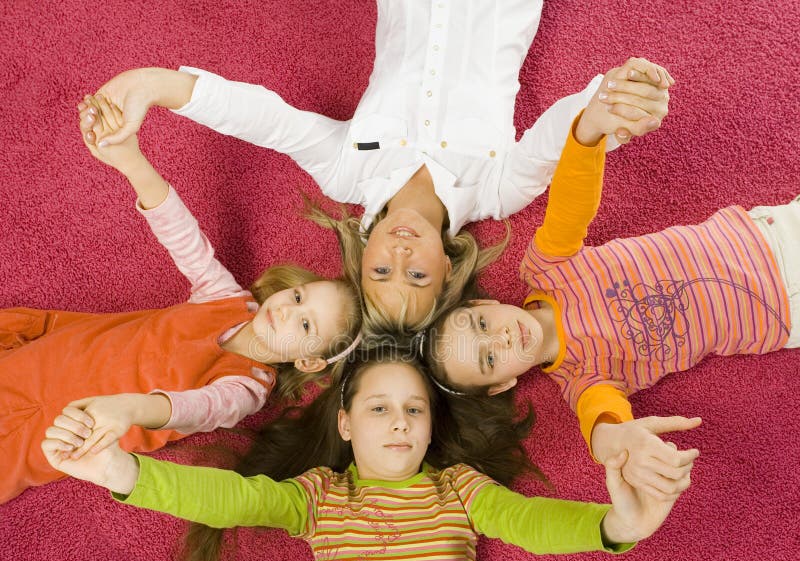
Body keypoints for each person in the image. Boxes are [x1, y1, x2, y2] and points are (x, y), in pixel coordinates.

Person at [41, 350, 694, 561]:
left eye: (414, 410)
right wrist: (118, 470)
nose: (401, 422)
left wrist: (617, 526)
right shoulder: (322, 496)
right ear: (348, 424)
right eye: (380, 408)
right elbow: (234, 499)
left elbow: (529, 521)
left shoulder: (457, 489)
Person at [78, 0, 673, 331]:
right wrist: (610, 106)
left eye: (380, 273)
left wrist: (155, 85)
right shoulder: (496, 191)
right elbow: (565, 138)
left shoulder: (348, 175)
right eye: (416, 277)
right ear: (449, 271)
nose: (401, 257)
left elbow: (269, 120)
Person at [420, 82, 799, 500]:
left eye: (482, 324)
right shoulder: (581, 378)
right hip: (781, 314)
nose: (502, 336)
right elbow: (603, 424)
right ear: (500, 387)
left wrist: (588, 134)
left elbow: (570, 204)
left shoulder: (545, 271)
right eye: (490, 357)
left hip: (764, 236)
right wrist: (621, 447)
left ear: (484, 303)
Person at [0, 96, 362, 505]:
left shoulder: (247, 387)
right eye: (298, 297)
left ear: (310, 361)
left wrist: (128, 410)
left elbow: (193, 408)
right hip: (54, 359)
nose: (288, 311)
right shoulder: (228, 299)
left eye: (306, 325)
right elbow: (183, 237)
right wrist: (130, 159)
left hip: (73, 421)